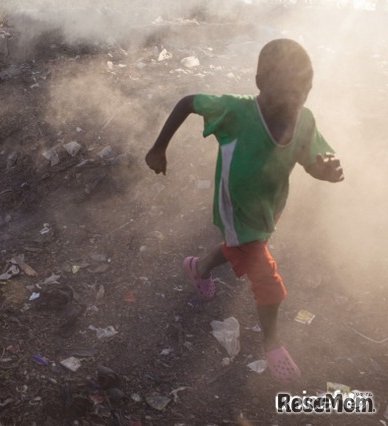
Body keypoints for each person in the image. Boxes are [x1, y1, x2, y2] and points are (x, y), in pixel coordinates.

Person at [145, 38, 344, 382]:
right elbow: (188, 102)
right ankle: (272, 345)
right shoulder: (236, 111)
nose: (295, 101)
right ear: (260, 85)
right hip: (234, 207)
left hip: (268, 207)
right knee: (267, 279)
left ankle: (199, 267)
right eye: (287, 92)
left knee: (242, 247)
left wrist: (326, 171)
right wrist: (158, 148)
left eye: (304, 91)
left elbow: (313, 160)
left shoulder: (304, 120)